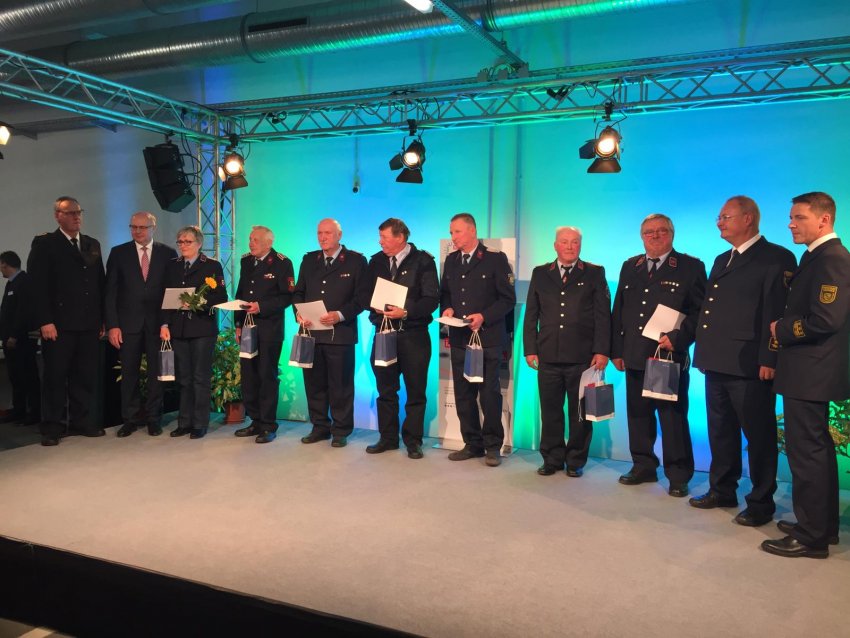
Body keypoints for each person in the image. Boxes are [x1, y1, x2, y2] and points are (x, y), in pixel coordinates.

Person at [691, 196, 796, 526]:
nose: (719, 223)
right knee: (720, 430)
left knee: (759, 435)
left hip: (750, 364)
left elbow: (775, 312)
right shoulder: (723, 258)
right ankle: (722, 489)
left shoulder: (776, 257)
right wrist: (704, 353)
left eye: (726, 217)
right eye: (719, 217)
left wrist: (770, 357)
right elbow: (711, 311)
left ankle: (761, 502)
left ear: (748, 219)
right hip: (717, 360)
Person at [763, 191, 850, 559]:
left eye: (799, 217)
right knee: (816, 449)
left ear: (823, 220)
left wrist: (781, 329)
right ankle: (821, 525)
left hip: (811, 371)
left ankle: (812, 536)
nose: (790, 224)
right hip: (810, 369)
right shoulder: (816, 256)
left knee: (807, 452)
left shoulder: (832, 259)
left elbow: (826, 319)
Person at [611, 213, 706, 496]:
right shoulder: (631, 266)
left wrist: (678, 338)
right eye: (649, 232)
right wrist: (616, 350)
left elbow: (700, 312)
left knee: (672, 419)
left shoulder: (690, 267)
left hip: (666, 357)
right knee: (638, 416)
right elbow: (619, 310)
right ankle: (643, 466)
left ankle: (678, 475)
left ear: (672, 234)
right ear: (642, 237)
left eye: (661, 231)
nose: (655, 236)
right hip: (635, 355)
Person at [523, 227, 610, 477]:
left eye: (575, 242)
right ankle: (552, 458)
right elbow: (531, 314)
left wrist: (602, 350)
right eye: (564, 242)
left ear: (580, 245)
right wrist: (530, 349)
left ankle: (575, 461)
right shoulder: (540, 273)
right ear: (555, 245)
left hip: (583, 358)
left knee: (580, 413)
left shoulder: (594, 272)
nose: (570, 247)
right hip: (548, 355)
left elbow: (603, 315)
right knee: (550, 412)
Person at [27, 196, 106, 446]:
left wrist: (102, 319)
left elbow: (99, 284)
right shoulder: (45, 244)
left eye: (78, 212)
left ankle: (82, 421)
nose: (76, 217)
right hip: (58, 325)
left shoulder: (92, 243)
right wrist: (45, 321)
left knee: (84, 376)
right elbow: (38, 287)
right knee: (55, 377)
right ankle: (53, 426)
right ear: (57, 216)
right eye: (70, 212)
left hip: (88, 323)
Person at [440, 213, 516, 467]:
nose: (453, 237)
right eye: (451, 232)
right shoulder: (451, 261)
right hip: (460, 338)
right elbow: (445, 294)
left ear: (472, 231)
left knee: (489, 394)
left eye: (457, 232)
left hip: (487, 339)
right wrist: (448, 308)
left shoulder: (495, 259)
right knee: (463, 394)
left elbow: (507, 299)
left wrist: (484, 316)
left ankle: (493, 446)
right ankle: (472, 443)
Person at [364, 218, 439, 459]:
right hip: (383, 333)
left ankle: (413, 441)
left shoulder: (424, 261)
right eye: (380, 237)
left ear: (400, 237)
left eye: (384, 237)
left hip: (413, 336)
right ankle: (387, 438)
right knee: (385, 389)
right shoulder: (376, 261)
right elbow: (364, 294)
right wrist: (374, 305)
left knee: (416, 391)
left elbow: (431, 300)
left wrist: (405, 311)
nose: (380, 242)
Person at [292, 218, 367, 448]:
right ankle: (319, 427)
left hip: (340, 334)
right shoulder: (309, 260)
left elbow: (362, 298)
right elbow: (298, 292)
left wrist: (340, 315)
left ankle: (341, 430)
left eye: (328, 233)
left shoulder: (356, 261)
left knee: (340, 385)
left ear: (339, 235)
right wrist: (298, 313)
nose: (323, 237)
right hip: (311, 334)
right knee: (313, 384)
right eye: (319, 233)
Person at [105, 212, 178, 437]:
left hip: (158, 324)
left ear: (153, 227)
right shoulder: (118, 253)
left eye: (142, 227)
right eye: (133, 227)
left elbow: (171, 291)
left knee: (157, 373)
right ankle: (130, 418)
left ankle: (154, 418)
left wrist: (166, 323)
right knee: (129, 374)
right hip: (128, 324)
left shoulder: (168, 253)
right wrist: (113, 325)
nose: (137, 231)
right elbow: (110, 292)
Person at [159, 226, 227, 439]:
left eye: (187, 241)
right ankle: (184, 421)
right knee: (184, 378)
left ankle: (199, 422)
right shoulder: (172, 265)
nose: (183, 245)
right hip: (178, 328)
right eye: (180, 242)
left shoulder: (212, 265)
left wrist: (199, 302)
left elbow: (221, 296)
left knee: (200, 377)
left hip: (202, 328)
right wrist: (164, 324)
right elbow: (165, 297)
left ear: (199, 243)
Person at [233, 226, 294, 444]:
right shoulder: (246, 261)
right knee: (249, 376)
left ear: (269, 242)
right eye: (250, 239)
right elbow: (241, 292)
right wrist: (238, 324)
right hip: (247, 327)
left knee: (266, 376)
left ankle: (268, 425)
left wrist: (262, 306)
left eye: (256, 240)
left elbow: (287, 297)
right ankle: (255, 420)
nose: (251, 243)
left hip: (269, 328)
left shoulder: (282, 263)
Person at [0, 251, 40, 425]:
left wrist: (14, 335)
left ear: (5, 264)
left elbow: (23, 312)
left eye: (1, 265)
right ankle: (19, 410)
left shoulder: (24, 282)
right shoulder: (11, 283)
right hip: (10, 339)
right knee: (15, 377)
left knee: (27, 376)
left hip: (21, 340)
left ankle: (34, 412)